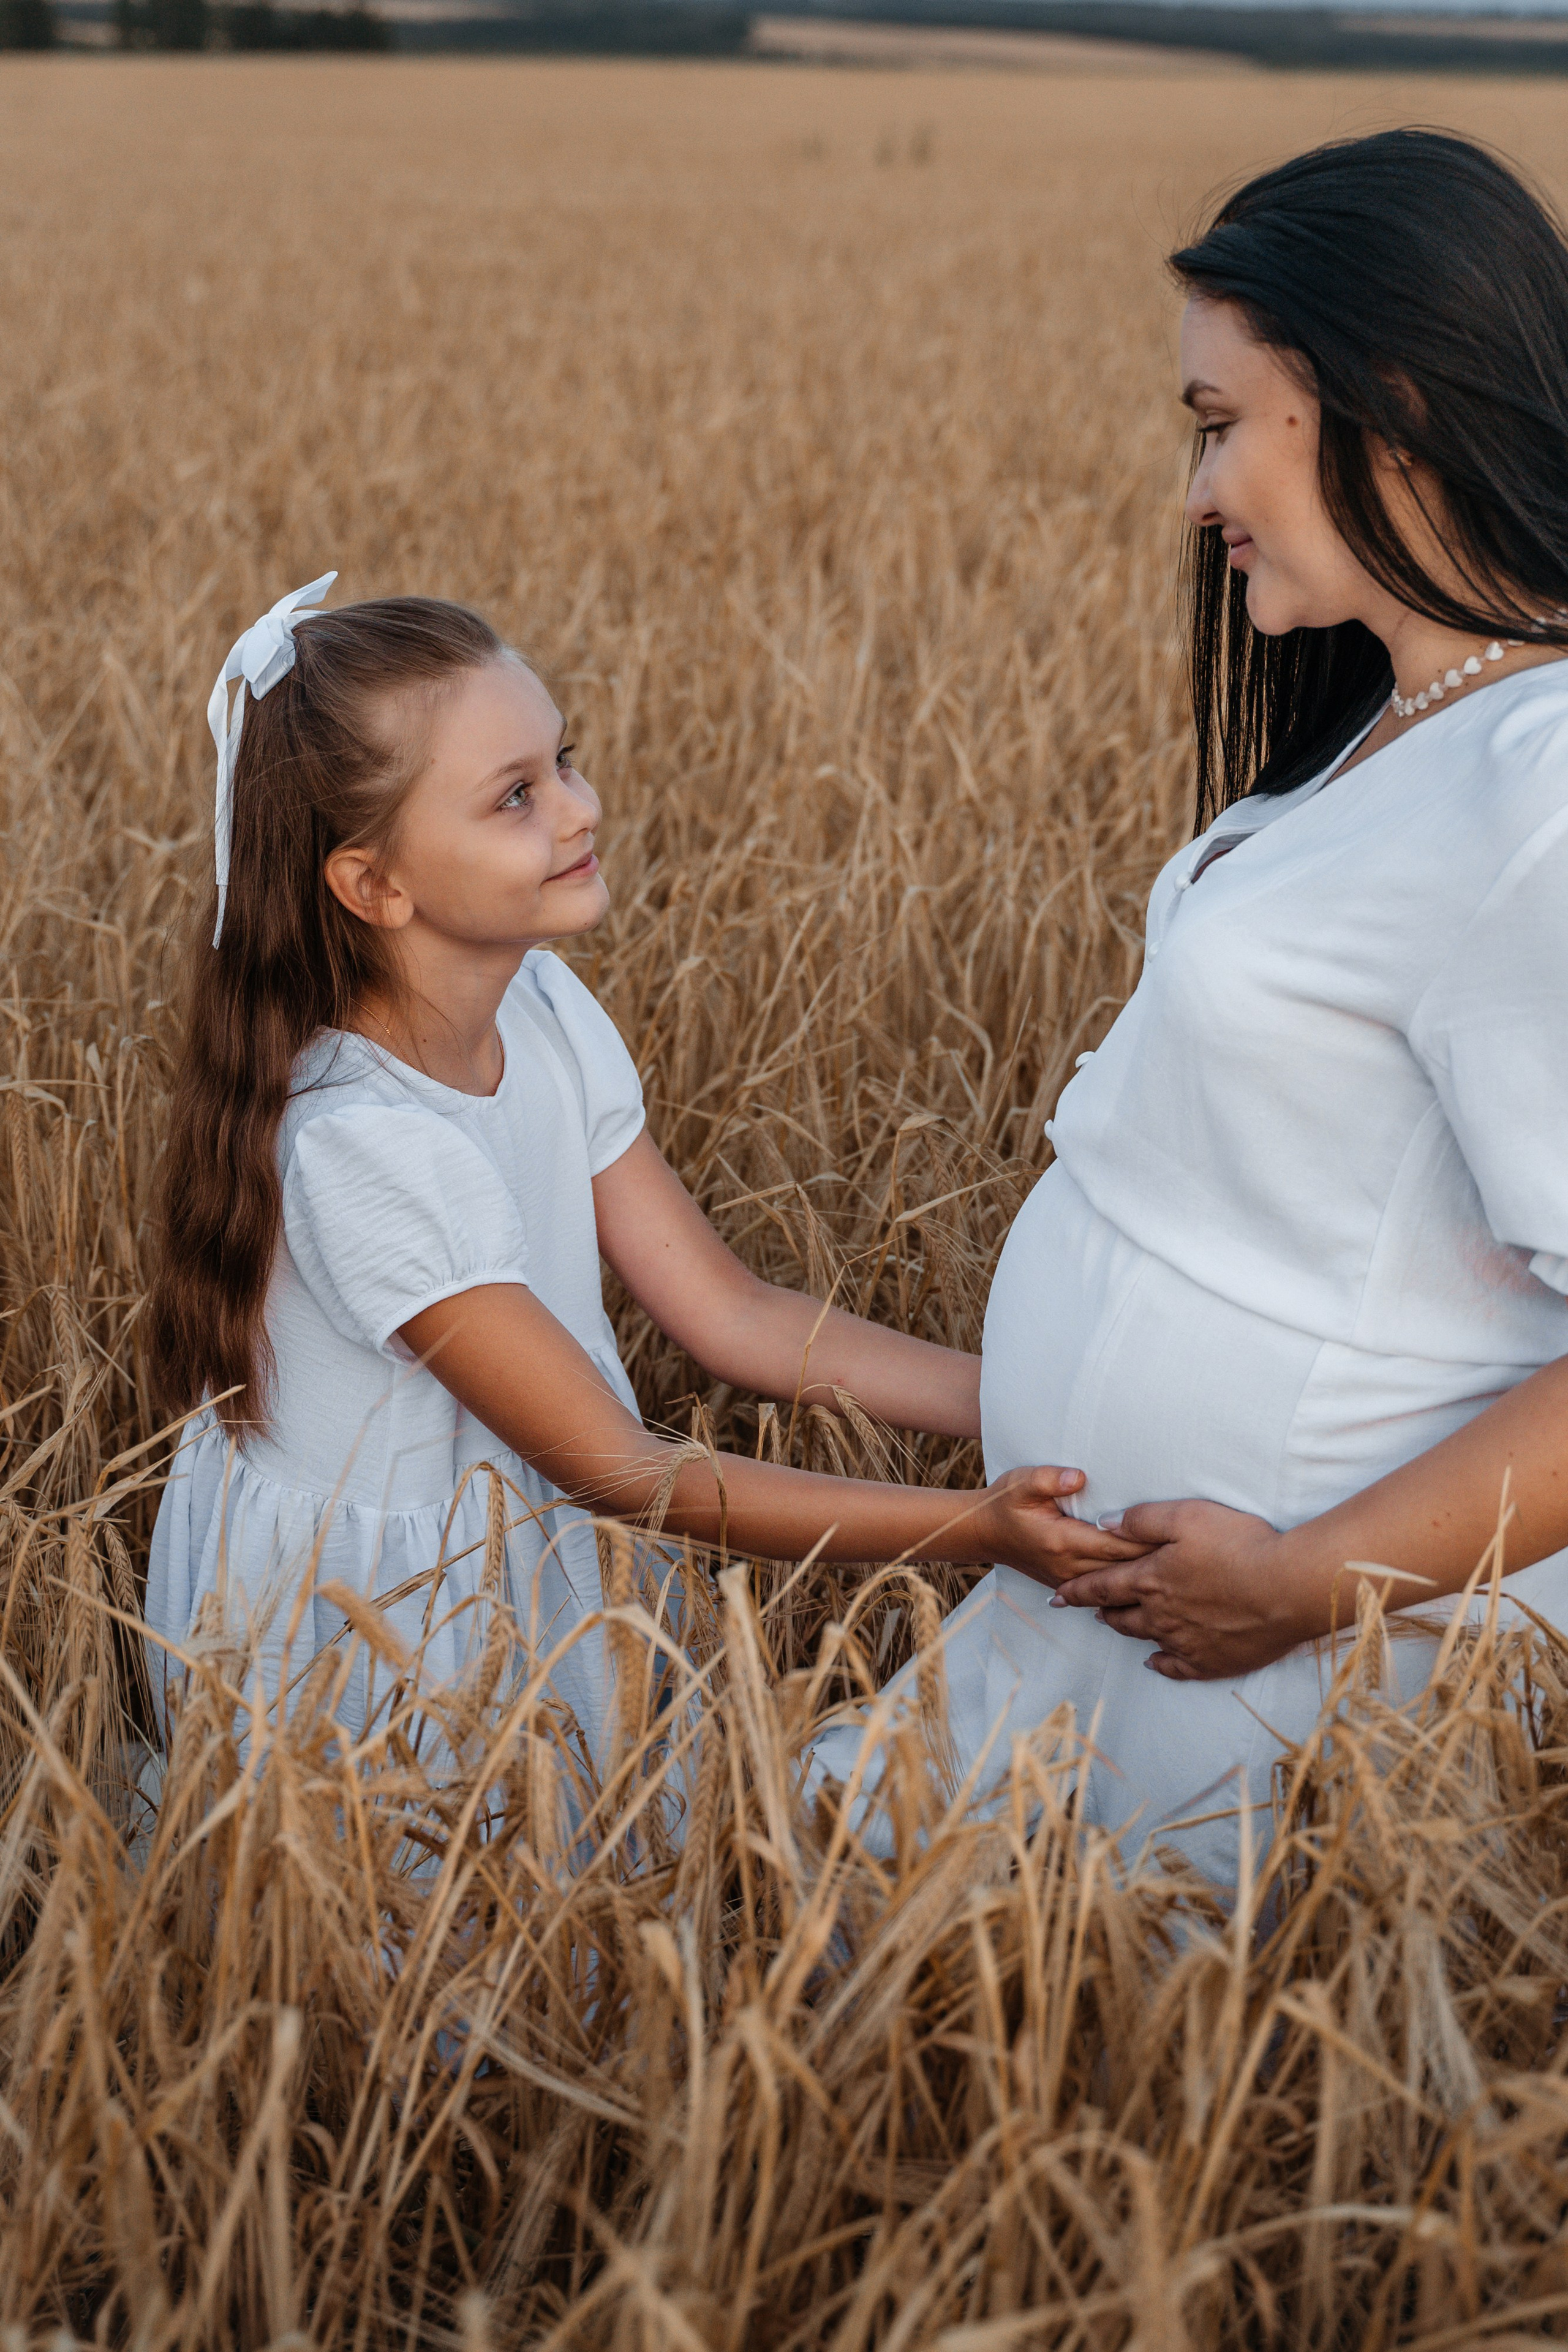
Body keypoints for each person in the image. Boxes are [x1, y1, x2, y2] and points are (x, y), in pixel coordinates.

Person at [809, 128, 1568, 1883]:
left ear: (1388, 398)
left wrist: (1306, 1583)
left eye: (1220, 424)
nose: (1197, 494)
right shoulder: (1400, 726)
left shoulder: (1540, 792)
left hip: (1282, 1676)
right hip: (1120, 1629)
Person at [142, 582, 1142, 1754]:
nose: (580, 808)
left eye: (563, 759)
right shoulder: (365, 1143)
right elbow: (622, 1472)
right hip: (387, 1626)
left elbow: (733, 1314)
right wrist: (982, 1526)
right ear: (375, 886)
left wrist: (1031, 1404)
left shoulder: (547, 1008)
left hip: (516, 1522)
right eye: (517, 796)